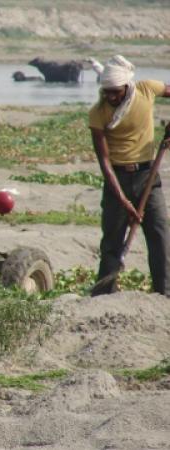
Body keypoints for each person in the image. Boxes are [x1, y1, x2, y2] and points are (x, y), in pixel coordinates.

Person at [89, 55, 170, 297]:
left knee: (159, 235)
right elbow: (105, 162)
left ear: (126, 86)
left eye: (116, 92)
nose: (112, 97)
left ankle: (164, 293)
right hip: (117, 180)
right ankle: (104, 294)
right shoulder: (98, 113)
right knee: (112, 242)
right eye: (107, 92)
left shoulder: (146, 90)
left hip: (148, 175)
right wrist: (124, 201)